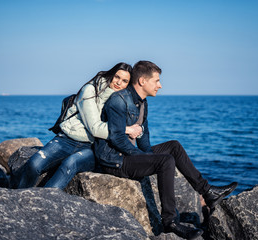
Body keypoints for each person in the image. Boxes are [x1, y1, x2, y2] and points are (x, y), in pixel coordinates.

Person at [94, 60, 238, 239]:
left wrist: (147, 156)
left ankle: (207, 192)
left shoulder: (142, 103)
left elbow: (143, 139)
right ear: (142, 81)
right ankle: (170, 222)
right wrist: (145, 158)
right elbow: (116, 138)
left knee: (174, 147)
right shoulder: (118, 100)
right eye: (156, 81)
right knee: (165, 161)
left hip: (130, 155)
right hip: (115, 160)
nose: (160, 85)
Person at [16, 62, 142, 190]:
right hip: (67, 140)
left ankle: (43, 202)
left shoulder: (122, 99)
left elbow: (136, 120)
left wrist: (139, 130)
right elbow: (95, 128)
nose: (119, 83)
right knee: (34, 164)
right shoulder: (90, 90)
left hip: (93, 147)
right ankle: (20, 199)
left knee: (69, 164)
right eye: (117, 77)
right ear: (110, 75)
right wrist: (126, 130)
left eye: (125, 81)